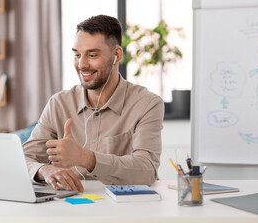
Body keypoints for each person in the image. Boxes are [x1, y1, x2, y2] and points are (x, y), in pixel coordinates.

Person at [23, 15, 164, 192]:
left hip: (123, 210)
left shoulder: (147, 104)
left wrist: (86, 158)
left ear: (116, 55)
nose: (82, 65)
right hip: (69, 207)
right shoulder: (59, 104)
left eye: (92, 55)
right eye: (77, 55)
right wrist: (44, 170)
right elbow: (23, 159)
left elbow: (147, 170)